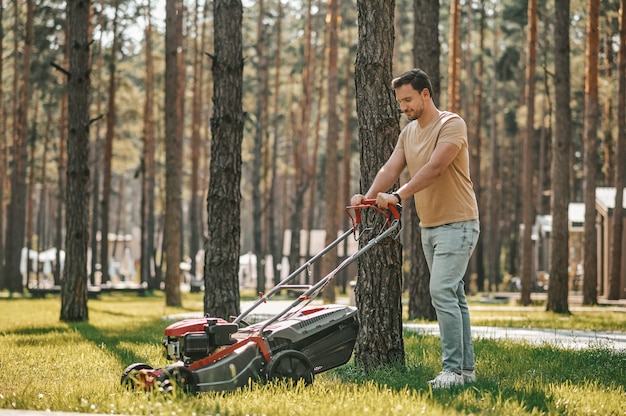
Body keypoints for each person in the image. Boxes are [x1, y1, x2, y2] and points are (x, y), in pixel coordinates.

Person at [351, 68, 480, 388]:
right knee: (454, 296)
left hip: (459, 222)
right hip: (431, 226)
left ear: (426, 94)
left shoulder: (451, 124)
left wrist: (397, 195)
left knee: (441, 291)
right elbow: (390, 167)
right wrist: (366, 199)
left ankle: (451, 371)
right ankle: (466, 372)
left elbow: (435, 168)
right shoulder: (408, 133)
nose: (404, 107)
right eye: (400, 102)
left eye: (408, 99)